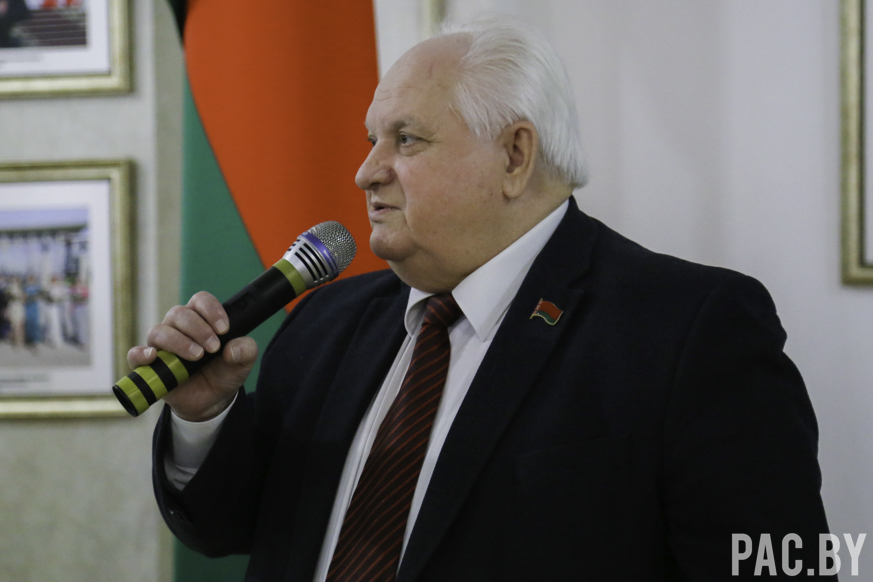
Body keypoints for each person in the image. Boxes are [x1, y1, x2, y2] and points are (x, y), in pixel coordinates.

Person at [135, 18, 832, 581]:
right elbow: (231, 528)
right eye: (371, 140)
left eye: (406, 140)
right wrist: (205, 416)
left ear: (514, 156)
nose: (365, 171)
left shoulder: (687, 329)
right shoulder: (327, 320)